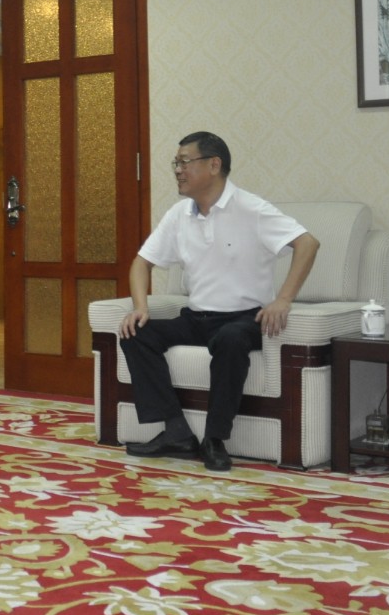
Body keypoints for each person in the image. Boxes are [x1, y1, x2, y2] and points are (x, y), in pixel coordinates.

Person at [116, 131, 320, 471]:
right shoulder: (179, 214)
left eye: (185, 162)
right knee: (136, 333)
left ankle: (214, 438)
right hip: (196, 318)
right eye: (176, 163)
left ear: (214, 165)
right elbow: (141, 262)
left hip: (244, 320)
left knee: (230, 339)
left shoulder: (251, 208)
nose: (178, 170)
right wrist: (140, 307)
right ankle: (176, 431)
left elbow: (308, 243)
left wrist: (283, 300)